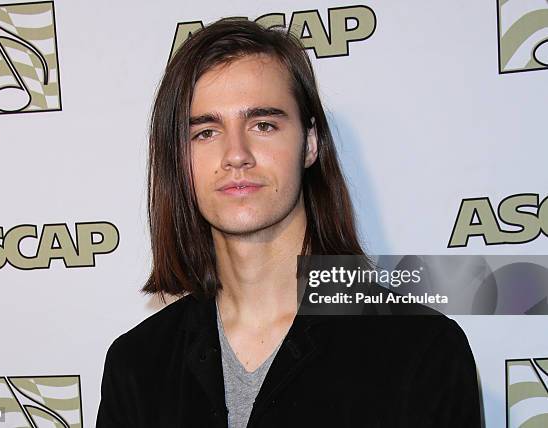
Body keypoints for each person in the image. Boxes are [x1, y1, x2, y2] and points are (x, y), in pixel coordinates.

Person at [96, 18, 481, 427]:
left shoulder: (421, 349)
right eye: (206, 132)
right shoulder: (137, 363)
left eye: (263, 125)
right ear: (178, 159)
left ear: (310, 143)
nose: (236, 154)